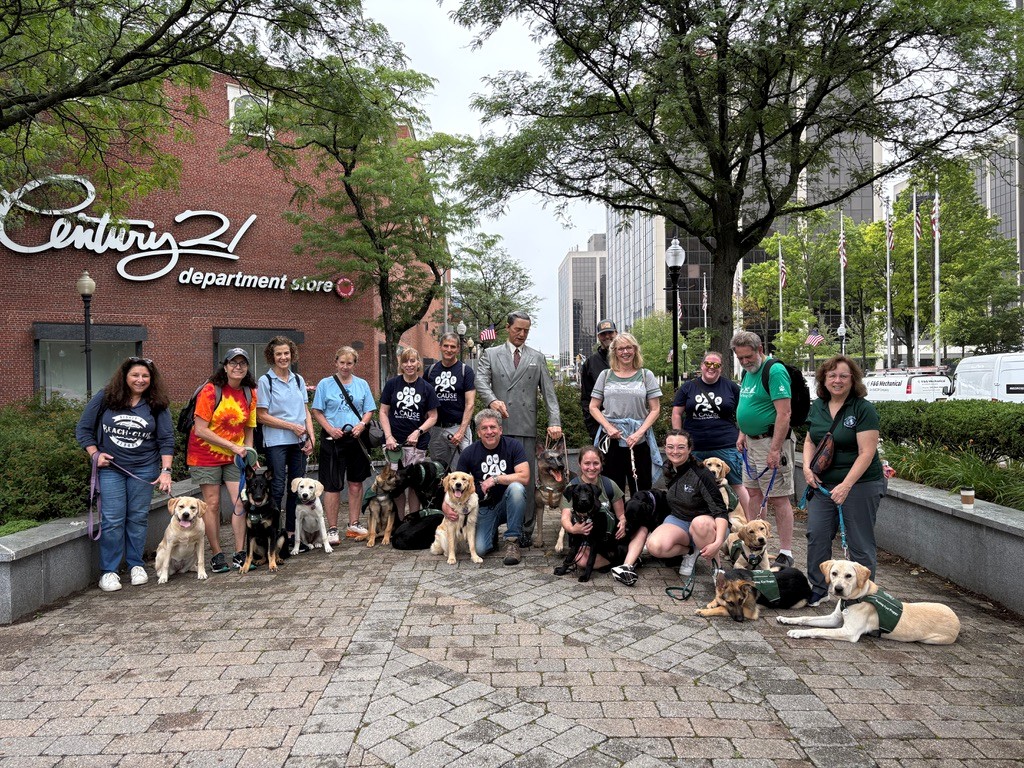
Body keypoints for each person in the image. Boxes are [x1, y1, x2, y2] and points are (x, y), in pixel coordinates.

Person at [76, 357, 174, 592]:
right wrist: (95, 454)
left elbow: (166, 439)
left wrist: (166, 471)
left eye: (145, 376)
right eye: (135, 375)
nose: (140, 380)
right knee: (113, 519)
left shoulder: (156, 403)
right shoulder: (106, 398)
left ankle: (135, 565)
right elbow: (83, 429)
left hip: (144, 468)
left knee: (138, 517)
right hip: (111, 469)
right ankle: (108, 571)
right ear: (125, 377)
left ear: (151, 380)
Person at [803, 355, 885, 606]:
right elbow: (810, 440)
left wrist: (846, 485)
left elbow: (867, 453)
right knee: (816, 535)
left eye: (843, 376)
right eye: (832, 376)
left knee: (859, 542)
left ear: (853, 380)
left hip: (860, 484)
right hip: (823, 485)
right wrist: (807, 468)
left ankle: (860, 596)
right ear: (823, 379)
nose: (837, 380)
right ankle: (818, 587)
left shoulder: (862, 408)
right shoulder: (817, 406)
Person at [476, 310, 563, 546]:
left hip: (526, 424)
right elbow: (480, 381)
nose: (522, 334)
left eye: (526, 330)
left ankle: (526, 529)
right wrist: (492, 400)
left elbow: (549, 393)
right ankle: (493, 522)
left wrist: (554, 420)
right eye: (518, 330)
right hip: (498, 427)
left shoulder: (537, 357)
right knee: (495, 476)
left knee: (525, 480)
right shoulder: (490, 354)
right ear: (508, 328)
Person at [187, 348, 257, 572]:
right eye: (233, 363)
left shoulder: (250, 392)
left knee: (240, 502)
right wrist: (233, 446)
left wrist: (249, 452)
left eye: (242, 363)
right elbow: (200, 429)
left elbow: (249, 427)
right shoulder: (210, 390)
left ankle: (240, 552)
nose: (238, 367)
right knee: (213, 505)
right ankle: (217, 554)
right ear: (225, 366)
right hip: (204, 454)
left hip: (235, 456)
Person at [732, 330, 796, 568]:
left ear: (760, 350)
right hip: (751, 442)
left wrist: (775, 449)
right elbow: (748, 404)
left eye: (748, 356)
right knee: (754, 493)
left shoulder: (774, 371)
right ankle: (755, 544)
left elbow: (784, 413)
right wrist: (742, 432)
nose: (745, 362)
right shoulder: (748, 373)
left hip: (771, 442)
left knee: (779, 497)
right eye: (740, 358)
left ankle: (786, 550)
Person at [672, 350, 750, 518]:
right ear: (702, 366)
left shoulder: (731, 387)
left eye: (716, 365)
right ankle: (690, 521)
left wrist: (742, 435)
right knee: (692, 485)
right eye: (708, 363)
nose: (711, 367)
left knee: (738, 484)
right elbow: (677, 414)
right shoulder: (688, 387)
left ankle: (753, 524)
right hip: (696, 447)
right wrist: (679, 439)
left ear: (721, 368)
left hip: (727, 445)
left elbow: (744, 412)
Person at [446, 408, 529, 566]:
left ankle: (512, 541)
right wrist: (445, 505)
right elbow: (455, 484)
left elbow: (525, 476)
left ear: (500, 429)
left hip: (508, 503)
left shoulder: (513, 446)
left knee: (517, 489)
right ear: (478, 432)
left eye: (493, 427)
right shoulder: (469, 453)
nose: (489, 431)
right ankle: (492, 535)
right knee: (481, 549)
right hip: (483, 507)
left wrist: (495, 479)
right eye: (484, 428)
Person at [256, 336, 315, 555]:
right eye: (278, 354)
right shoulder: (266, 381)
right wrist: (290, 426)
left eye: (286, 353)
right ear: (272, 356)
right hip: (277, 442)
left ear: (292, 354)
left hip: (299, 441)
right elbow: (261, 416)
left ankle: (291, 535)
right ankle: (276, 535)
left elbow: (305, 410)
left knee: (297, 489)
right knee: (278, 488)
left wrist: (311, 435)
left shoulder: (299, 379)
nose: (283, 357)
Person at [311, 346, 375, 544]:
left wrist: (362, 424)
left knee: (356, 482)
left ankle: (353, 524)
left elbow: (369, 409)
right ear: (335, 362)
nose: (345, 367)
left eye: (349, 363)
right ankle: (331, 529)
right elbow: (317, 411)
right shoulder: (325, 384)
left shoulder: (362, 384)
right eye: (342, 362)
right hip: (333, 439)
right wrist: (329, 429)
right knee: (332, 484)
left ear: (354, 364)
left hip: (356, 438)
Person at [645, 430, 730, 578]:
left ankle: (717, 569)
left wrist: (717, 543)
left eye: (681, 447)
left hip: (707, 525)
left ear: (690, 449)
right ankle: (691, 551)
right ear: (665, 448)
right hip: (679, 519)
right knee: (654, 546)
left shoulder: (702, 473)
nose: (675, 451)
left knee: (699, 523)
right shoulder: (667, 467)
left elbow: (720, 511)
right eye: (670, 447)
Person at [589, 332, 662, 495]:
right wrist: (608, 427)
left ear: (635, 350)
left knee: (641, 487)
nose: (625, 352)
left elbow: (655, 409)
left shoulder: (646, 375)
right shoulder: (605, 375)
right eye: (621, 348)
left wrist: (639, 433)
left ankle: (641, 520)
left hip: (639, 439)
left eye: (629, 347)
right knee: (613, 489)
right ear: (614, 351)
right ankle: (616, 520)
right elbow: (593, 406)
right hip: (612, 440)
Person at [380, 346, 439, 518]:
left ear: (418, 363)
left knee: (414, 484)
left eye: (412, 361)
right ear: (401, 364)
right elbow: (383, 412)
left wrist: (418, 432)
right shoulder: (392, 384)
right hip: (394, 445)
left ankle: (412, 518)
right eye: (405, 361)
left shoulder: (427, 388)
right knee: (396, 483)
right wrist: (388, 436)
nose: (409, 364)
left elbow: (433, 416)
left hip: (416, 445)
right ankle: (398, 521)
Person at [558, 445, 629, 577]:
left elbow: (621, 514)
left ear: (601, 464)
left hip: (605, 537)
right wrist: (573, 529)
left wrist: (623, 523)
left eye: (596, 463)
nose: (591, 467)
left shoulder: (609, 485)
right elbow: (565, 517)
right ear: (579, 464)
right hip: (583, 536)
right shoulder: (573, 487)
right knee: (581, 561)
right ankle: (619, 561)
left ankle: (619, 560)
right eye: (587, 463)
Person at [426, 332, 476, 468]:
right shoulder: (430, 371)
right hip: (436, 430)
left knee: (461, 472)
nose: (449, 350)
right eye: (446, 346)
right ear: (440, 346)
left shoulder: (466, 371)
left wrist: (461, 431)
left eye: (453, 347)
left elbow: (470, 404)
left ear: (458, 349)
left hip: (457, 428)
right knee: (440, 472)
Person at [580, 319, 617, 440]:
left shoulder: (627, 358)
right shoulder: (590, 363)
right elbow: (586, 398)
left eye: (610, 332)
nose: (607, 336)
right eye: (603, 334)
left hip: (629, 428)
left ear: (616, 333)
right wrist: (593, 430)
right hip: (601, 427)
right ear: (598, 336)